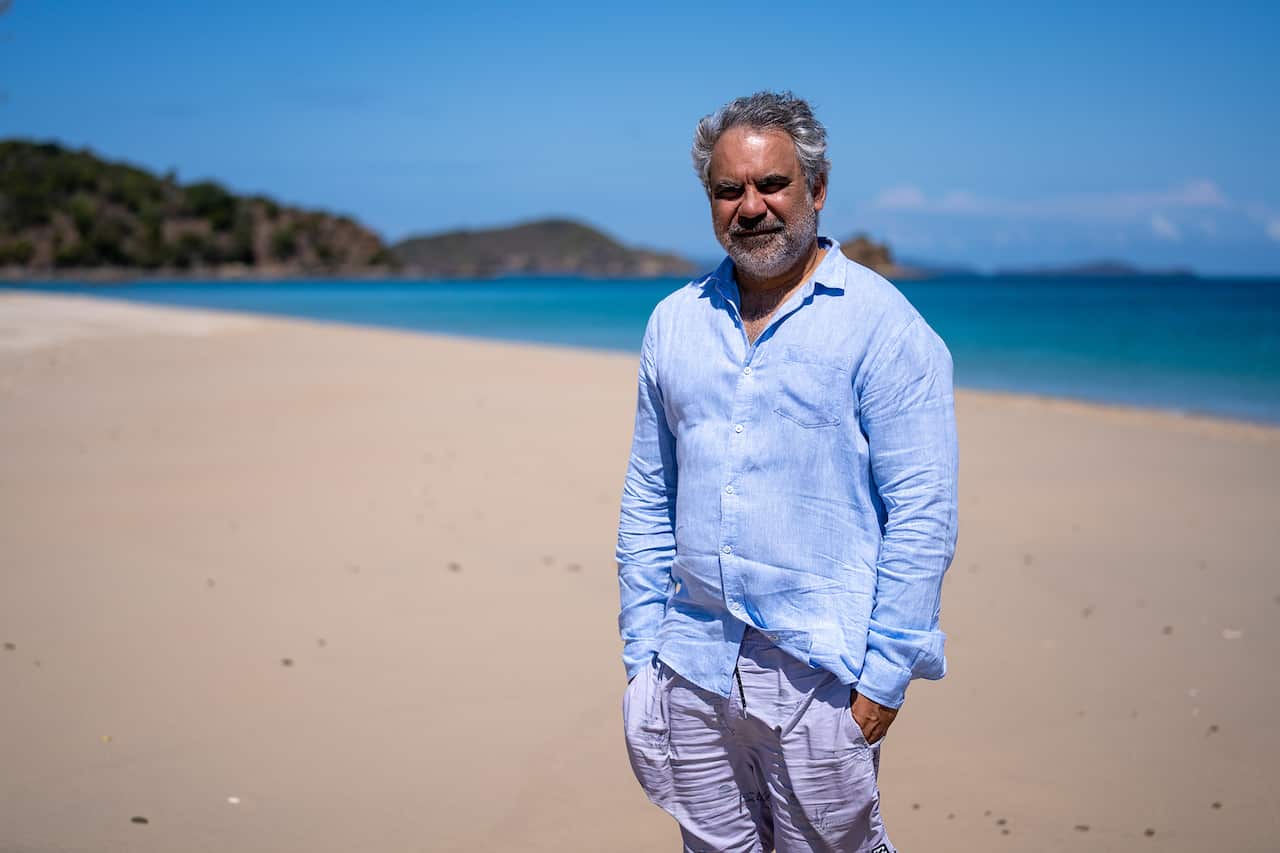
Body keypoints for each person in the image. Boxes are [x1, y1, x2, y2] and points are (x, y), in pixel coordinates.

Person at [616, 90, 959, 853]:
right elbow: (648, 496)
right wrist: (643, 656)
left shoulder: (884, 326)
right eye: (729, 189)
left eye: (772, 184)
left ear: (817, 189)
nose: (751, 207)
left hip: (820, 682)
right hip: (691, 666)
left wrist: (880, 685)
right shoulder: (675, 323)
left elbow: (924, 513)